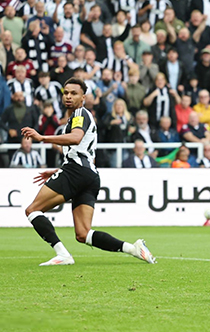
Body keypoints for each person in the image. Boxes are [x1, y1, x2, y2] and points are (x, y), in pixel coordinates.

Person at [21, 78, 156, 266]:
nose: (68, 96)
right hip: (89, 175)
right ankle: (133, 248)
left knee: (33, 210)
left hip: (76, 171)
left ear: (83, 97)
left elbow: (76, 138)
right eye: (66, 92)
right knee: (83, 234)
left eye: (73, 93)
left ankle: (62, 254)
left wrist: (42, 137)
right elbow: (82, 149)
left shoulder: (80, 114)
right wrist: (60, 170)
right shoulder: (78, 116)